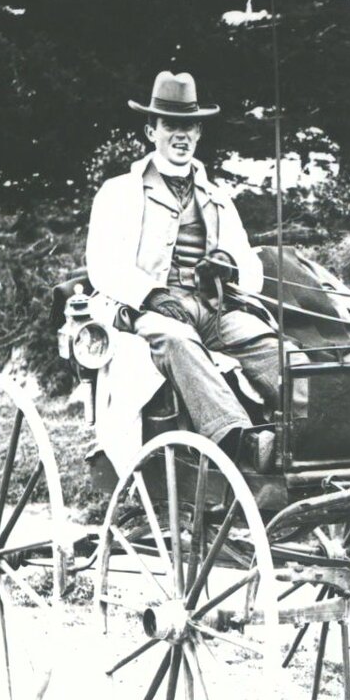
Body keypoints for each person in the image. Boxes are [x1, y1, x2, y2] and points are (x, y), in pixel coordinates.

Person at [86, 70, 286, 510]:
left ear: (199, 132)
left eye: (189, 126)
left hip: (211, 308)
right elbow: (102, 264)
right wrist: (151, 295)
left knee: (268, 344)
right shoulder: (119, 194)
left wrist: (229, 267)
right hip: (146, 311)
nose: (181, 135)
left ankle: (308, 431)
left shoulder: (217, 198)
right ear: (151, 131)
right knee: (177, 340)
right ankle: (239, 441)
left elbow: (250, 268)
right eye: (171, 126)